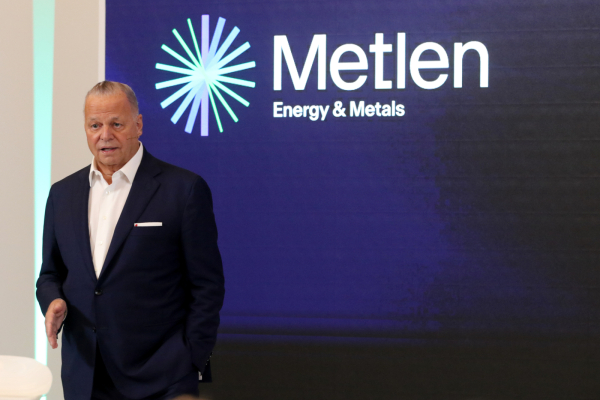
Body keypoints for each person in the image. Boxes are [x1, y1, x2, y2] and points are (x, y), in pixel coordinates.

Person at [36, 81, 225, 400]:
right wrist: (53, 301)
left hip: (162, 377)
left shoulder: (184, 189)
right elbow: (50, 274)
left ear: (138, 125)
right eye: (95, 125)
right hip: (86, 376)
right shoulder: (62, 194)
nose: (105, 135)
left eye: (116, 124)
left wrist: (192, 357)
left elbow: (207, 284)